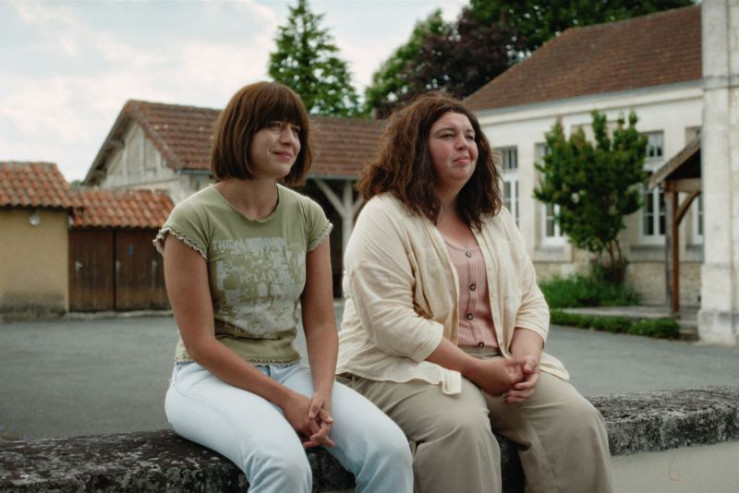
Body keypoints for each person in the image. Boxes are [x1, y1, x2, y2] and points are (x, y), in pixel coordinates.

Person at [337, 92, 613, 493]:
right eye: (447, 135)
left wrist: (525, 359)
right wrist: (474, 370)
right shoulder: (384, 215)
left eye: (470, 136)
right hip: (396, 365)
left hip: (493, 361)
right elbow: (389, 322)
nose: (464, 145)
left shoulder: (494, 217)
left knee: (577, 419)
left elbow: (529, 299)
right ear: (415, 147)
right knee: (461, 428)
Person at [155, 81, 413, 493]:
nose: (289, 139)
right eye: (274, 126)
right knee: (283, 464)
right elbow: (200, 343)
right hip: (206, 378)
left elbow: (321, 323)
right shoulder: (191, 219)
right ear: (241, 131)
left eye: (295, 130)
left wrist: (322, 392)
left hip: (291, 371)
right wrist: (284, 399)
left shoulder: (308, 215)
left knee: (390, 449)